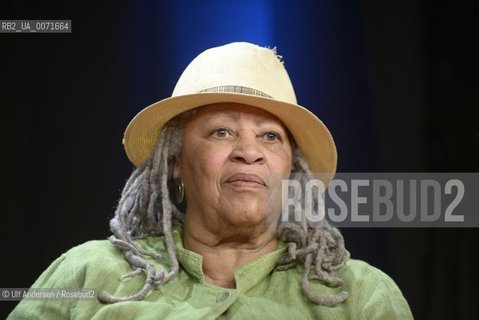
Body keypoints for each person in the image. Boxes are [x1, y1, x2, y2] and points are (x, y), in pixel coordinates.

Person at [8, 42, 413, 319]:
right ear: (175, 162)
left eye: (270, 137)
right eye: (222, 132)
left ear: (292, 170)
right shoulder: (87, 273)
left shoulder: (361, 295)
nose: (248, 151)